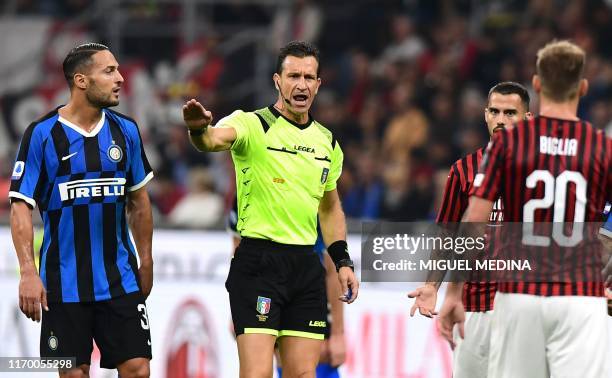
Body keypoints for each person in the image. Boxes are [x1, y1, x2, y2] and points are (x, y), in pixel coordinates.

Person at [183, 41, 359, 378]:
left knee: (303, 375)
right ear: (277, 80)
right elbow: (212, 140)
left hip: (305, 267)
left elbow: (331, 208)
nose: (301, 84)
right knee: (257, 374)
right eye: (293, 75)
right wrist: (197, 129)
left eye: (309, 77)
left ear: (319, 84)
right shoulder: (252, 124)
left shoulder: (327, 142)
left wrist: (342, 261)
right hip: (258, 265)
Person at [440, 40, 611, 377]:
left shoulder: (508, 145)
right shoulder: (601, 147)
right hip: (580, 296)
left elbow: (474, 220)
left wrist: (454, 291)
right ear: (583, 87)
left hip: (519, 295)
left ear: (536, 84)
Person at [9, 43, 154, 378]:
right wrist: (28, 273)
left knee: (138, 369)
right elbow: (20, 207)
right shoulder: (42, 135)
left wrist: (145, 259)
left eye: (118, 70)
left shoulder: (126, 130)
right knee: (74, 374)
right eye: (109, 71)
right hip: (63, 283)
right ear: (81, 80)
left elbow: (139, 202)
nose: (120, 79)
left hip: (119, 277)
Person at [409, 82, 532, 378]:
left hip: (526, 311)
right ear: (485, 114)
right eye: (495, 111)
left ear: (527, 119)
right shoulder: (463, 170)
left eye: (510, 113)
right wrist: (431, 285)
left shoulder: (543, 172)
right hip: (473, 309)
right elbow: (447, 234)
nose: (501, 120)